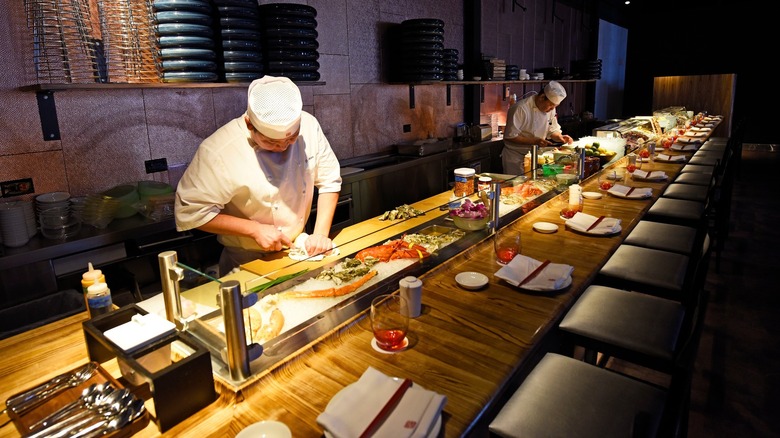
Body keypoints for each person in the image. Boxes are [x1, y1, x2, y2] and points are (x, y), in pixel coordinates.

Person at [175, 75, 342, 276]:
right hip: (247, 263)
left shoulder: (308, 125)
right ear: (248, 123)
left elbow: (330, 181)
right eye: (271, 142)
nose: (282, 147)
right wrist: (254, 229)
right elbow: (191, 212)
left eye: (291, 139)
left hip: (299, 254)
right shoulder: (218, 150)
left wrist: (320, 235)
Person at [502, 80, 574, 176]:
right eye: (551, 105)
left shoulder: (550, 109)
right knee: (516, 187)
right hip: (516, 157)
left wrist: (559, 137)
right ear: (542, 97)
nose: (552, 109)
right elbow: (510, 136)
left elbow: (552, 129)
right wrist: (535, 141)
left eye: (555, 106)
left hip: (536, 156)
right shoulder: (520, 108)